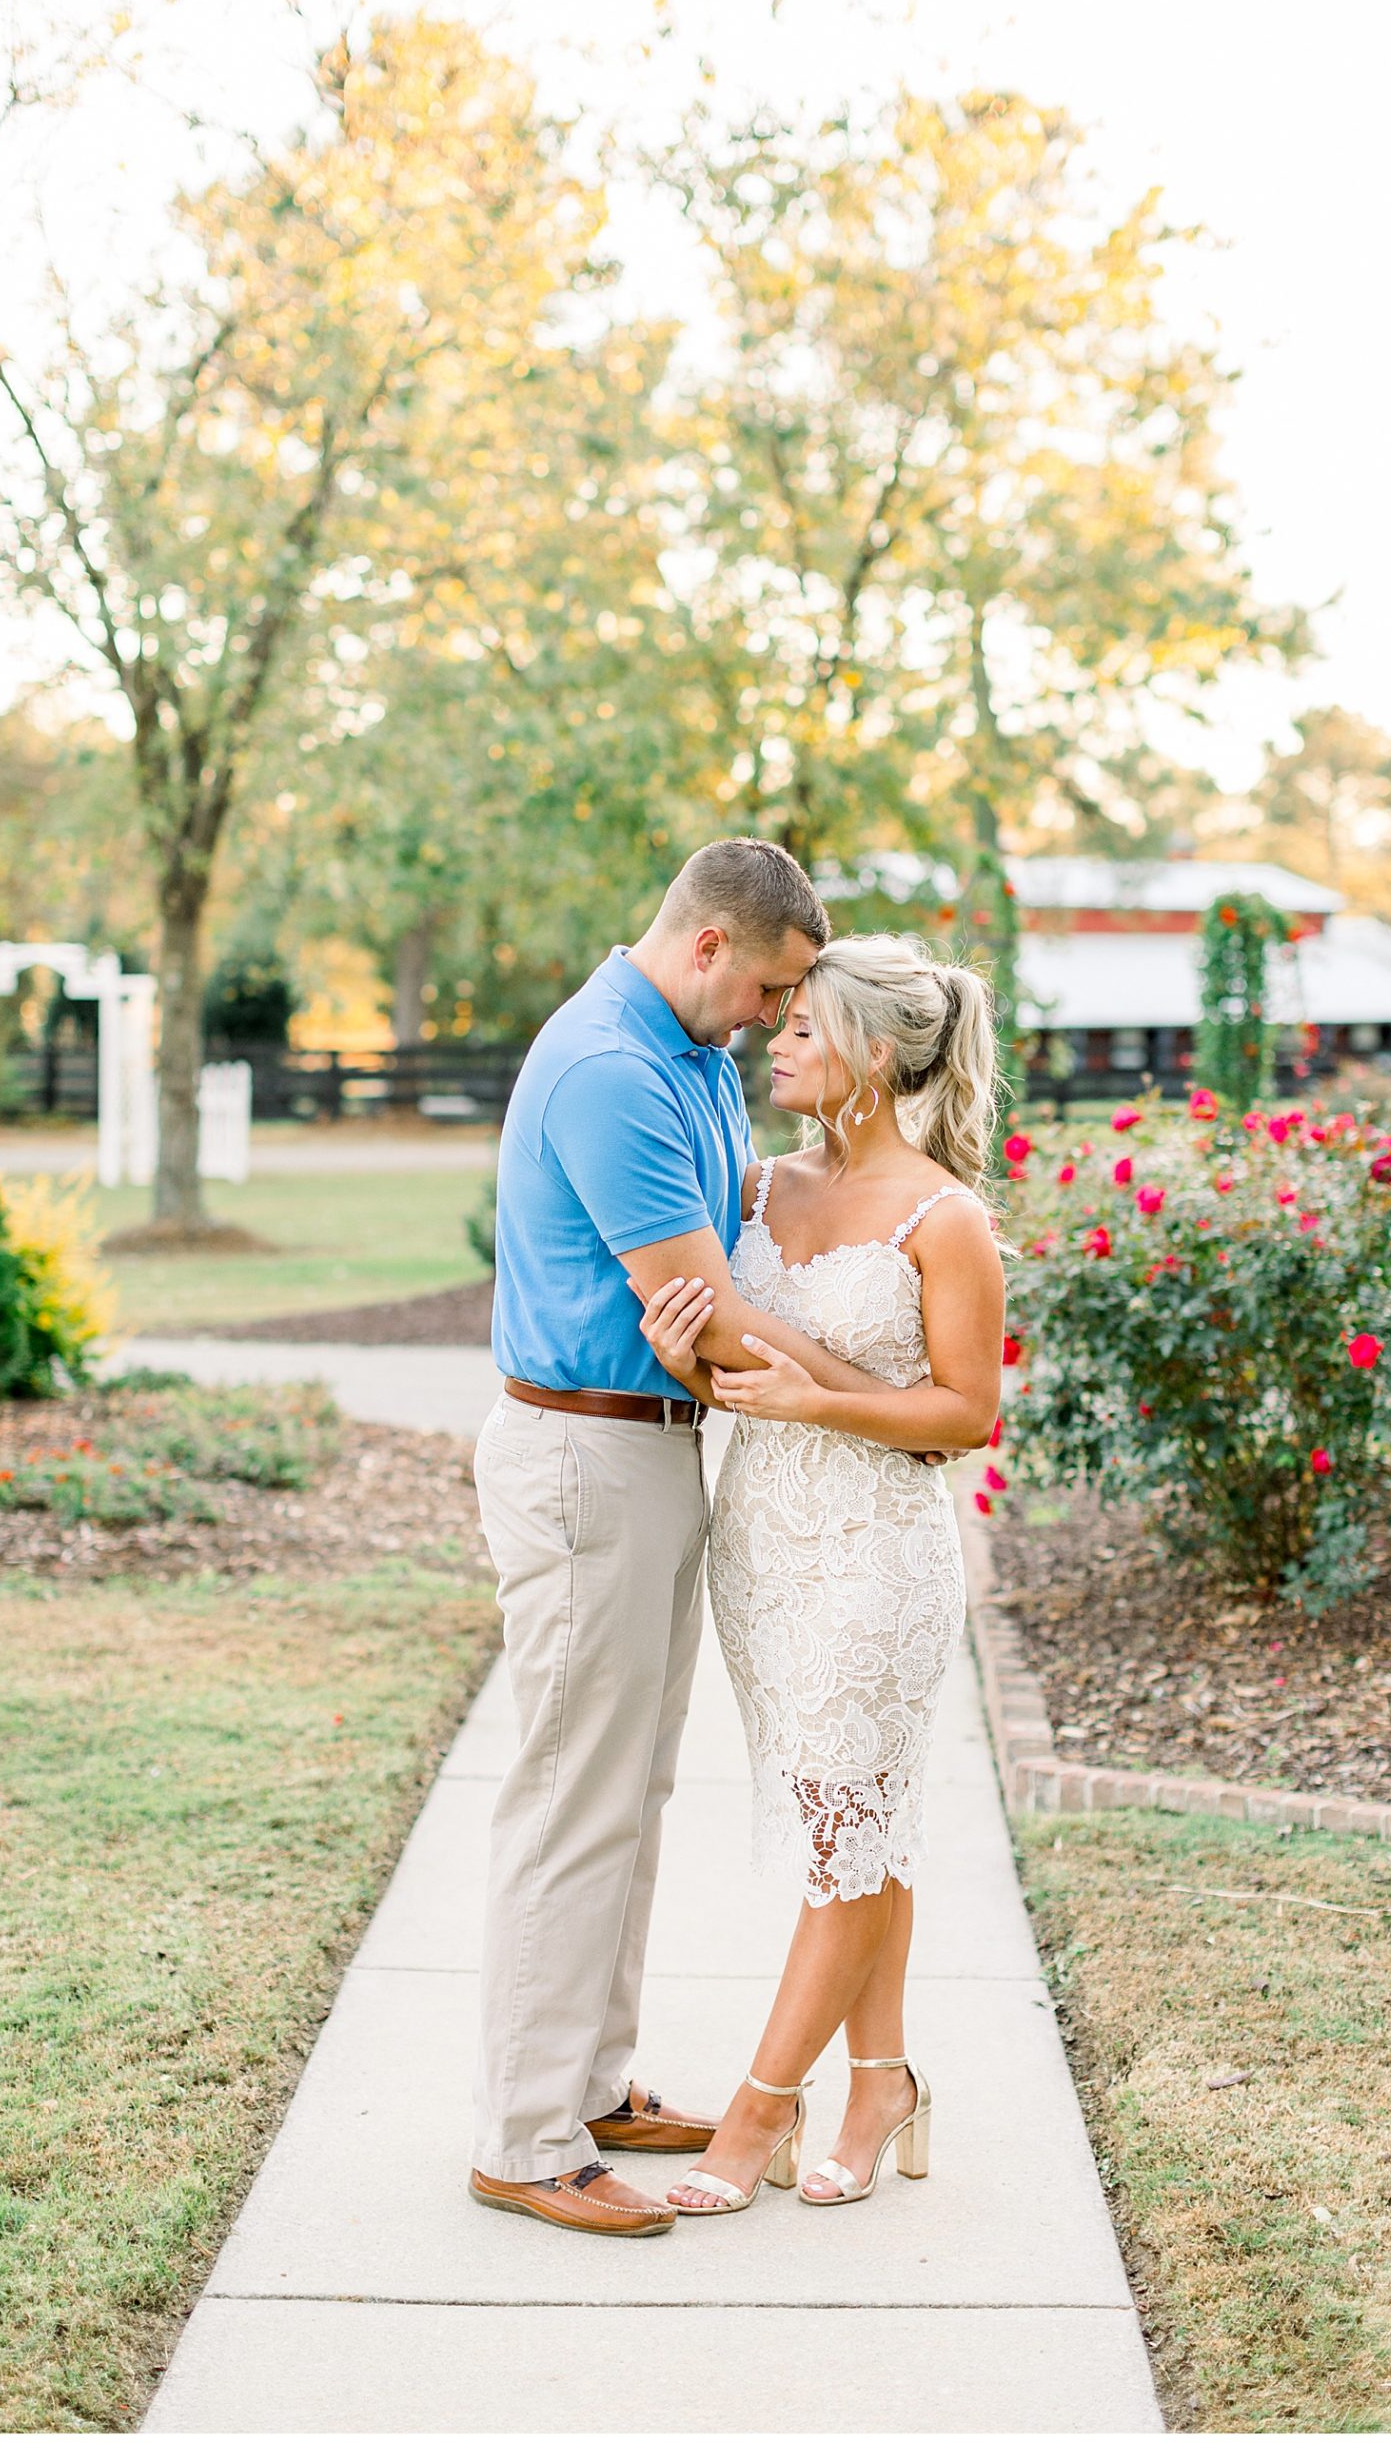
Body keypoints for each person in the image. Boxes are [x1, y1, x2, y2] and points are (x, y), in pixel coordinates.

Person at [468, 840, 911, 2239]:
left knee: (629, 1793)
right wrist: (875, 1398)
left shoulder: (691, 1062)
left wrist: (747, 1333)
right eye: (773, 986)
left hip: (655, 1450)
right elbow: (709, 1312)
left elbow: (724, 1283)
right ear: (711, 942)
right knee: (570, 1799)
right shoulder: (610, 1067)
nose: (775, 1019)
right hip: (583, 1453)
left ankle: (591, 2087)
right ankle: (524, 2138)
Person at [635, 934, 1004, 2215]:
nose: (775, 1038)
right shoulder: (755, 1187)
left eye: (803, 1026)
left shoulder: (945, 1218)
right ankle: (883, 2079)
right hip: (762, 1548)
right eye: (778, 1020)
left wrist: (816, 1398)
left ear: (878, 1054)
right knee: (864, 1823)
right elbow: (742, 1374)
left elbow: (964, 1416)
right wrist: (684, 1353)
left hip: (877, 1556)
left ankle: (758, 2113)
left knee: (840, 1829)